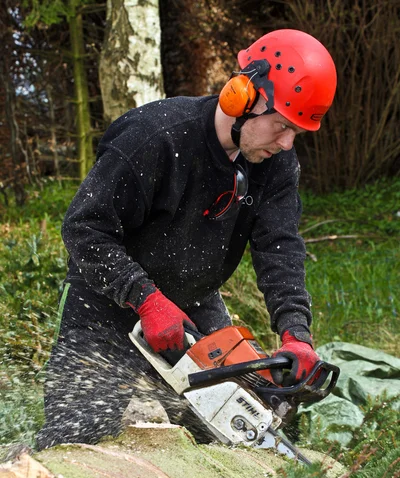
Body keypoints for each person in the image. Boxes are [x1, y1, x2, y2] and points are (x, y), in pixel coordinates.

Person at [36, 29, 337, 450]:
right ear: (243, 97)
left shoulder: (277, 164)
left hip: (194, 301)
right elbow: (84, 227)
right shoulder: (155, 137)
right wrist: (144, 296)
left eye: (296, 134)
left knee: (247, 424)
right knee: (74, 433)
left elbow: (279, 247)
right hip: (106, 300)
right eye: (281, 127)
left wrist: (295, 332)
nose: (286, 143)